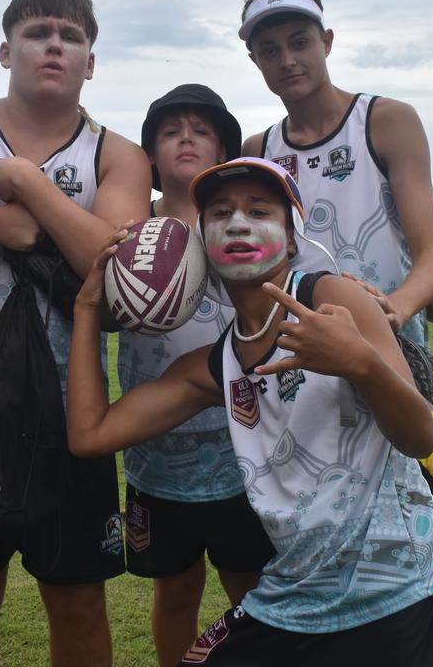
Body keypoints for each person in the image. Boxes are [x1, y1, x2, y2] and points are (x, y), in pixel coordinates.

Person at [66, 157, 433, 666]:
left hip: (401, 589)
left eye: (258, 210)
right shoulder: (220, 364)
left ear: (293, 231)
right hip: (296, 594)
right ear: (202, 245)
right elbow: (90, 434)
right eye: (220, 213)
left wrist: (359, 364)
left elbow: (419, 438)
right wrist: (86, 308)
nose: (237, 222)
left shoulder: (333, 298)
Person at [0, 0, 150, 667]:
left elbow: (117, 272)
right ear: (5, 51)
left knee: (79, 602)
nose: (54, 44)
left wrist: (29, 187)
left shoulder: (116, 153)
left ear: (91, 62)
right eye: (37, 32)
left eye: (71, 36)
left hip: (66, 409)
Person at [118, 85, 275, 666]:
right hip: (157, 456)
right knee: (175, 590)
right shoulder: (130, 229)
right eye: (170, 129)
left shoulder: (244, 226)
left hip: (245, 453)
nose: (186, 137)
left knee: (253, 591)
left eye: (202, 129)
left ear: (225, 154)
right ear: (150, 157)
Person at [238, 0, 433, 346]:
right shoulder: (258, 149)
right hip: (297, 350)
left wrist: (398, 308)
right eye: (270, 50)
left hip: (390, 343)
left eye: (300, 42)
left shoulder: (387, 121)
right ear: (255, 60)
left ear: (327, 42)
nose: (287, 61)